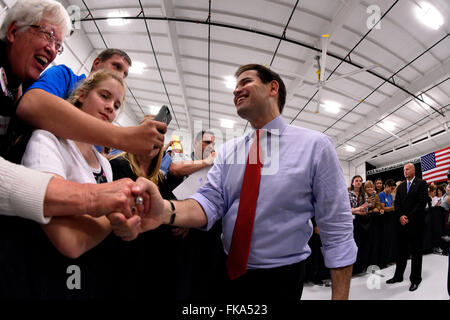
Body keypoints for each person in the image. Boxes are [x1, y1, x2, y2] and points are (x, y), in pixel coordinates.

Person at [109, 63, 357, 301]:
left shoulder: (315, 146)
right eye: (235, 85)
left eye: (245, 81)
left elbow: (337, 227)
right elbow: (209, 200)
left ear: (273, 88)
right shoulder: (229, 151)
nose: (236, 89)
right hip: (226, 269)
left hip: (280, 279)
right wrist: (165, 210)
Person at [20, 69, 131, 299]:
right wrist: (116, 212)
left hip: (87, 275)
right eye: (104, 96)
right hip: (46, 273)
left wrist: (96, 215)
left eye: (117, 105)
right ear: (82, 94)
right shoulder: (48, 140)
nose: (111, 107)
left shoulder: (105, 164)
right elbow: (68, 240)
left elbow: (85, 229)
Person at [4, 47, 166, 164]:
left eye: (125, 74)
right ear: (96, 63)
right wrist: (123, 137)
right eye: (116, 66)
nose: (121, 75)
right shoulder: (65, 76)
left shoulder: (103, 118)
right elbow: (31, 105)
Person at [106, 116, 184, 300]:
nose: (152, 140)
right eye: (148, 134)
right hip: (123, 257)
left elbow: (171, 206)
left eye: (158, 136)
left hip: (154, 261)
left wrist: (181, 220)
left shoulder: (161, 179)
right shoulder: (117, 165)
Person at [386, 163, 428, 292]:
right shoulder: (402, 186)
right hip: (402, 225)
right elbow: (397, 203)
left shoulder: (421, 183)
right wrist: (400, 216)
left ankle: (415, 279)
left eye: (407, 169)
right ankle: (398, 276)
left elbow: (422, 202)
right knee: (401, 252)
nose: (405, 171)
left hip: (415, 224)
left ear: (414, 170)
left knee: (416, 253)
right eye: (404, 169)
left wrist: (408, 216)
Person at [348, 175, 369, 274]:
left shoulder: (363, 195)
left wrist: (360, 210)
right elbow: (346, 210)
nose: (359, 182)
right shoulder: (348, 194)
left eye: (360, 181)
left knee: (362, 245)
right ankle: (353, 269)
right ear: (352, 183)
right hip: (351, 223)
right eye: (356, 181)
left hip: (362, 222)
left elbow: (366, 209)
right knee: (353, 245)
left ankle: (361, 267)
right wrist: (358, 209)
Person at [378, 179, 397, 268]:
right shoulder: (381, 194)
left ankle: (389, 259)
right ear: (387, 186)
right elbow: (383, 208)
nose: (392, 190)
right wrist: (393, 208)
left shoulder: (389, 195)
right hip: (384, 220)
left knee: (390, 240)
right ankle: (383, 260)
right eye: (391, 188)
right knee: (385, 241)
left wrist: (392, 208)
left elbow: (390, 207)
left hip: (390, 219)